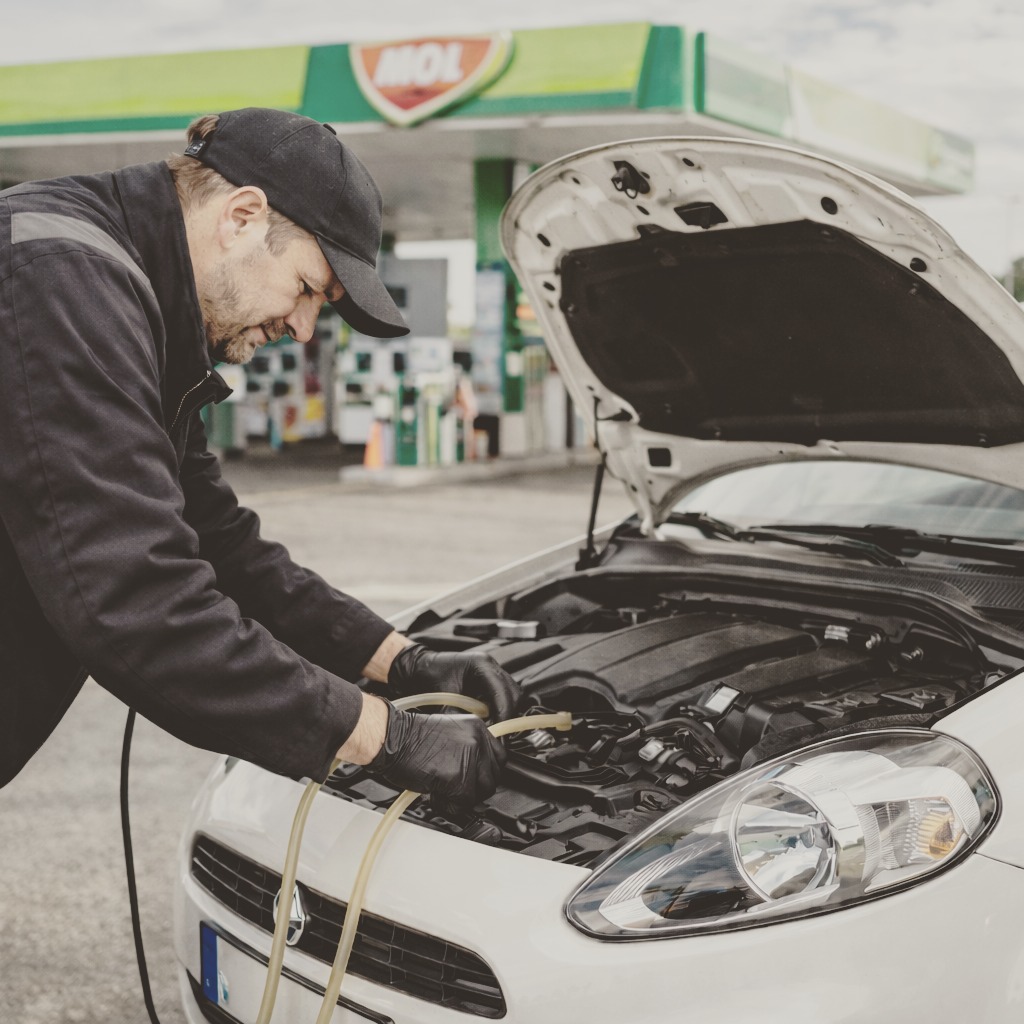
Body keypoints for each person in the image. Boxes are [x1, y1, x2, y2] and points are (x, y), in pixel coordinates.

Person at [0, 107, 519, 806]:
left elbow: (216, 539)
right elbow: (137, 602)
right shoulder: (56, 280)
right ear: (242, 216)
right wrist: (384, 737)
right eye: (308, 288)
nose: (303, 327)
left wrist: (403, 663)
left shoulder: (135, 303)